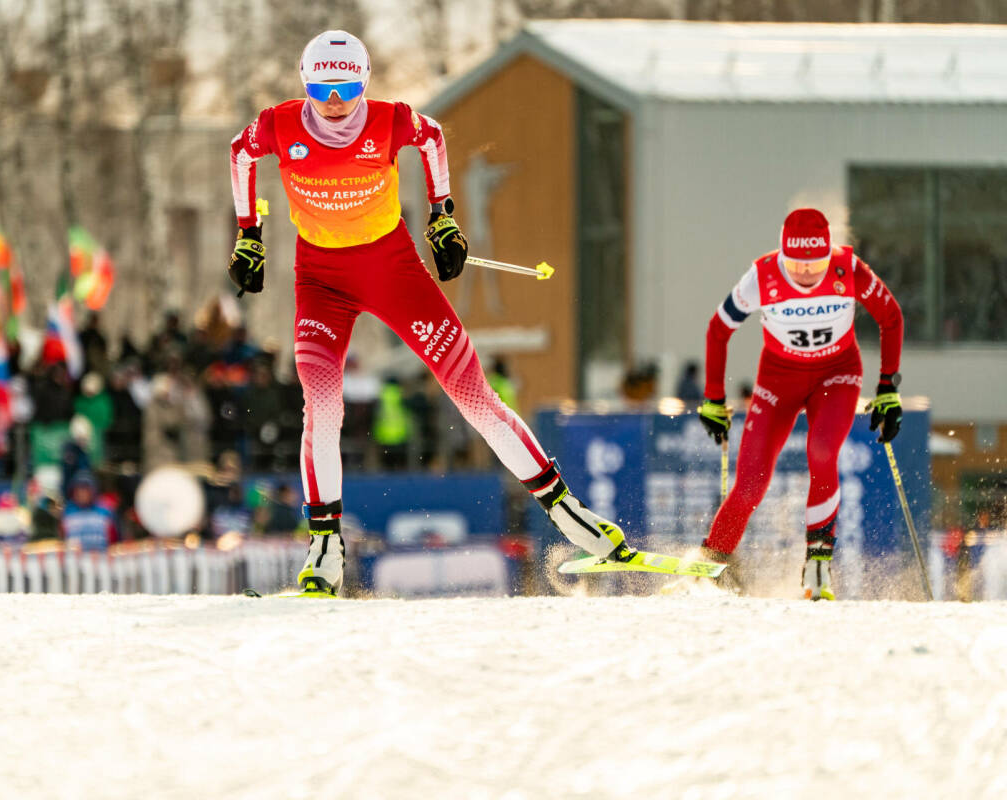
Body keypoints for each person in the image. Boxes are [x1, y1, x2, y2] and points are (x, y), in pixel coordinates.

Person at [228, 30, 631, 595]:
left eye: (347, 85)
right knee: (321, 405)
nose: (336, 99)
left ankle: (569, 514)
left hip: (394, 271)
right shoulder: (279, 124)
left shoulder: (390, 121)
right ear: (305, 81)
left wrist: (443, 216)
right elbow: (239, 151)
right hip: (321, 280)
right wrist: (250, 235)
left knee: (474, 397)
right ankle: (324, 545)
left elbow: (433, 137)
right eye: (322, 86)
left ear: (363, 81)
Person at [693, 208, 903, 600]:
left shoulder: (849, 269)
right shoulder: (762, 276)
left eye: (816, 264)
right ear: (781, 256)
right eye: (796, 264)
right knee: (750, 484)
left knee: (822, 451)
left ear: (830, 255)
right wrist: (713, 398)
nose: (806, 274)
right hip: (778, 380)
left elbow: (891, 317)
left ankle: (818, 562)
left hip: (836, 376)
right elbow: (718, 330)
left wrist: (888, 386)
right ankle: (712, 564)